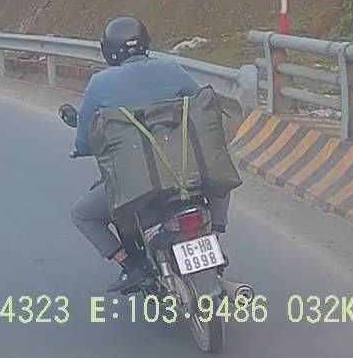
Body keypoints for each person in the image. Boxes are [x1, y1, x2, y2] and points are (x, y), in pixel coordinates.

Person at [69, 15, 231, 293]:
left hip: (137, 184)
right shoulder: (171, 68)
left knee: (82, 214)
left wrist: (81, 149)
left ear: (109, 51)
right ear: (145, 42)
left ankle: (131, 265)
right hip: (186, 170)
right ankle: (214, 235)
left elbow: (84, 140)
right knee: (217, 178)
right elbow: (201, 107)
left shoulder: (100, 83)